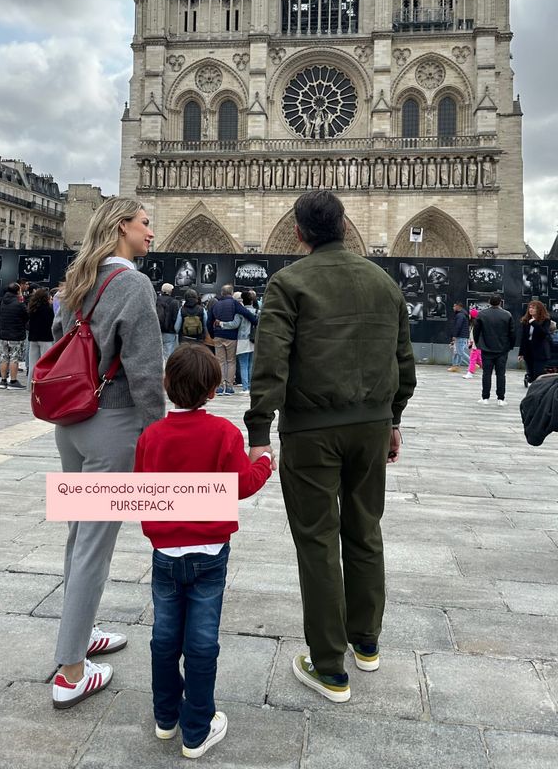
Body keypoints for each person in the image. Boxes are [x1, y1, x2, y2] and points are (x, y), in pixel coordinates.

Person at [244, 190, 416, 704]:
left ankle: (328, 667)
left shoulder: (289, 283)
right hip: (371, 426)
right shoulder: (385, 282)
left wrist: (258, 433)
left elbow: (270, 363)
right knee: (365, 530)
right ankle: (366, 643)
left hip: (311, 431)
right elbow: (403, 364)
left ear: (299, 233)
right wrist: (393, 420)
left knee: (318, 540)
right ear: (344, 226)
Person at [51, 197, 165, 710]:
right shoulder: (133, 284)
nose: (151, 233)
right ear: (122, 226)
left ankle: (85, 629)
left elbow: (60, 339)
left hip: (70, 423)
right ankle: (71, 671)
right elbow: (144, 369)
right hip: (111, 423)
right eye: (145, 224)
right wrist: (159, 434)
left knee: (79, 536)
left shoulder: (80, 277)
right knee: (95, 545)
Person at [134, 345, 274, 757]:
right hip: (211, 553)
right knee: (201, 640)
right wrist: (264, 462)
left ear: (165, 385)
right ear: (214, 391)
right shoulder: (224, 434)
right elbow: (242, 485)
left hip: (165, 554)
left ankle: (165, 717)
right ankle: (197, 727)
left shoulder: (152, 436)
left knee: (164, 636)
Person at [207, 285, 257, 396]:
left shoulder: (215, 304)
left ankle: (220, 387)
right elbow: (247, 313)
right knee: (231, 361)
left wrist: (212, 334)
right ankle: (229, 387)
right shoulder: (234, 304)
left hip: (218, 335)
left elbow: (209, 321)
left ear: (222, 293)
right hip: (231, 337)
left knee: (220, 361)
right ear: (231, 292)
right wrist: (255, 322)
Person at [472, 294, 515, 405]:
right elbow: (512, 333)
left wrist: (478, 343)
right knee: (501, 374)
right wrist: (510, 346)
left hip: (486, 348)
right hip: (502, 349)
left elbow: (476, 331)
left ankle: (485, 397)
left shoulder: (482, 314)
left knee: (486, 374)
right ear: (500, 302)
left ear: (489, 302)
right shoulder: (507, 315)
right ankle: (501, 398)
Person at [0, 282, 28, 389]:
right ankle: (13, 381)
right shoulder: (19, 302)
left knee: (3, 357)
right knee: (14, 358)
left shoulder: (2, 302)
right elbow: (26, 315)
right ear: (17, 291)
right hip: (16, 334)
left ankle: (3, 380)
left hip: (3, 334)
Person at [519, 300, 553, 385]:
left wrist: (534, 323)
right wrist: (521, 353)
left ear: (539, 309)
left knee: (538, 373)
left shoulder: (545, 320)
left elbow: (543, 333)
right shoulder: (526, 320)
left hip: (540, 351)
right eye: (530, 307)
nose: (531, 310)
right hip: (529, 350)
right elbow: (524, 338)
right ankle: (531, 383)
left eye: (533, 308)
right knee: (530, 373)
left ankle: (537, 389)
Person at [27, 287, 54, 382]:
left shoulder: (32, 308)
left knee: (32, 364)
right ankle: (44, 383)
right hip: (46, 338)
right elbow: (52, 323)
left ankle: (30, 385)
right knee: (46, 363)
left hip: (33, 338)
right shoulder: (49, 310)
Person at [156, 283, 179, 361]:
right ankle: (166, 372)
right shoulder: (174, 302)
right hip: (169, 333)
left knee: (158, 356)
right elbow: (175, 318)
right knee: (168, 357)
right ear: (171, 291)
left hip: (157, 331)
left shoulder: (155, 300)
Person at [449, 302, 470, 371]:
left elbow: (458, 326)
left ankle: (473, 364)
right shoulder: (462, 314)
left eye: (454, 306)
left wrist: (454, 335)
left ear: (458, 307)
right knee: (458, 352)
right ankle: (456, 366)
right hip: (462, 336)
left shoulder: (460, 315)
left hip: (460, 336)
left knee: (460, 352)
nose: (453, 308)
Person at [463, 307, 483, 379]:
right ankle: (488, 368)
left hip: (476, 345)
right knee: (479, 359)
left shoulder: (475, 325)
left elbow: (473, 336)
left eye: (470, 314)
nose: (469, 315)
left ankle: (470, 373)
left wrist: (471, 343)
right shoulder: (475, 324)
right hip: (477, 345)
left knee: (473, 359)